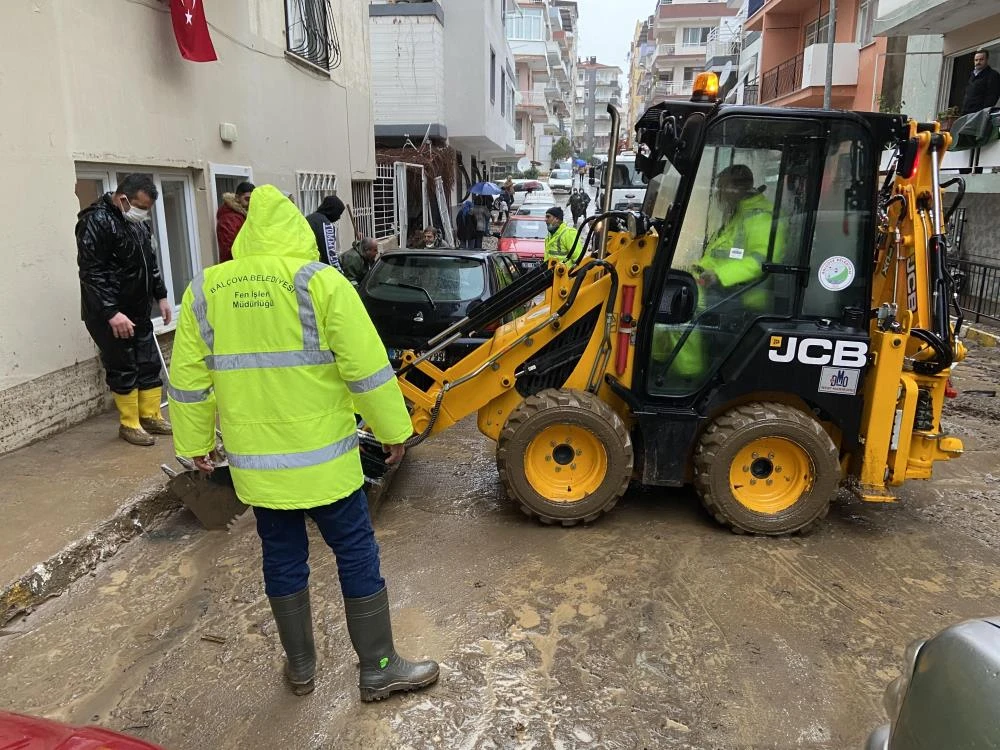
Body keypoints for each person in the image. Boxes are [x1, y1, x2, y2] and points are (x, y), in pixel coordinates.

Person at [167, 186, 438, 701]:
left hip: (260, 470)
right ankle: (378, 666)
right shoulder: (321, 283)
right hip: (326, 465)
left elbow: (188, 378)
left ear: (247, 234)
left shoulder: (206, 289)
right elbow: (366, 366)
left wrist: (195, 442)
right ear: (299, 230)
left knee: (282, 557)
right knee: (355, 551)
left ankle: (300, 667)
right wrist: (393, 430)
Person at [652, 164, 784, 380]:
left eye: (722, 188)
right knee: (669, 295)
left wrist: (718, 275)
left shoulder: (759, 217)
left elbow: (762, 261)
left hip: (745, 294)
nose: (719, 195)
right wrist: (695, 269)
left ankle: (688, 376)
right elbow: (719, 253)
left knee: (684, 306)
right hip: (726, 288)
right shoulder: (740, 213)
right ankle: (658, 363)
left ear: (736, 188)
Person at [76, 173, 173, 447]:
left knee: (148, 361)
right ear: (123, 198)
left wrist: (162, 296)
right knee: (123, 365)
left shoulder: (138, 225)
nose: (143, 213)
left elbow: (149, 262)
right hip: (111, 314)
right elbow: (91, 273)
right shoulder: (96, 221)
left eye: (147, 209)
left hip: (138, 309)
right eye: (140, 206)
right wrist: (110, 312)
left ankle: (151, 415)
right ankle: (130, 423)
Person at [215, 181, 255, 263]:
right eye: (247, 199)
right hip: (237, 266)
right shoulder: (229, 218)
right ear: (237, 198)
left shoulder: (244, 215)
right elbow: (228, 250)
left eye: (253, 199)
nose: (250, 203)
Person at [306, 195, 345, 271]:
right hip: (318, 268)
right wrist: (340, 273)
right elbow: (330, 255)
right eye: (339, 213)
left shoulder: (309, 218)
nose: (339, 217)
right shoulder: (326, 224)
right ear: (332, 210)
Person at [960, 49, 1000, 115]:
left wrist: (982, 112)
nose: (978, 62)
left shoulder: (993, 75)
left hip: (979, 115)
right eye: (976, 60)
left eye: (981, 59)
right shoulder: (972, 75)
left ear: (987, 60)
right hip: (966, 114)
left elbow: (992, 96)